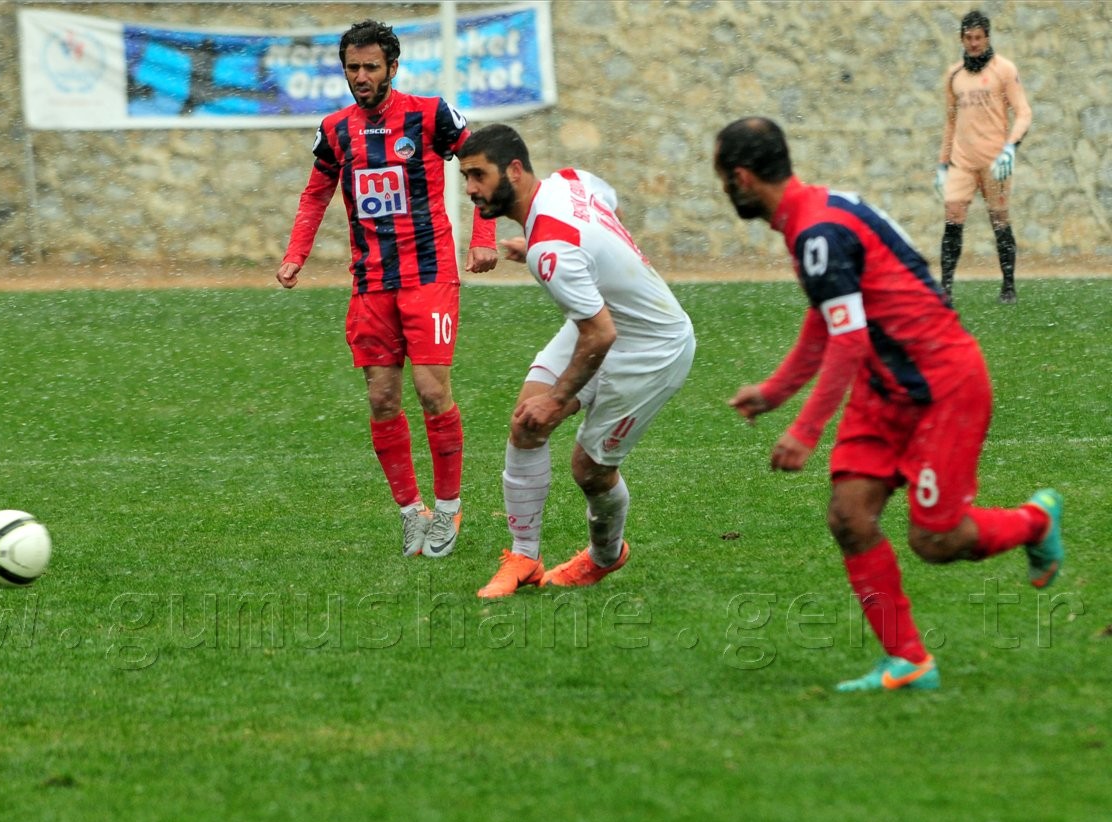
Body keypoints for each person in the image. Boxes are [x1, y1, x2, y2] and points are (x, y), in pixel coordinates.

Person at [715, 116, 1065, 692]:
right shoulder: (815, 211)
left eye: (724, 179)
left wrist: (804, 430)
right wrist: (777, 390)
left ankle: (1036, 521)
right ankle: (910, 662)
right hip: (885, 388)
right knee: (850, 517)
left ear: (743, 178)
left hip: (941, 384)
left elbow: (847, 338)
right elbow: (827, 315)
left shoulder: (816, 232)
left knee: (937, 540)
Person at [276, 20, 499, 558]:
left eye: (371, 66)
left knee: (431, 390)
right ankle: (411, 512)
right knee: (380, 399)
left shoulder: (429, 114)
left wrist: (484, 235)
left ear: (392, 68)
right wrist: (294, 255)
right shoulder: (335, 130)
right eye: (353, 68)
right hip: (372, 281)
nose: (361, 77)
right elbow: (315, 197)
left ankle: (448, 508)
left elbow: (482, 163)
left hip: (428, 273)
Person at [455, 124, 696, 599]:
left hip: (653, 347)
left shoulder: (552, 246)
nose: (470, 190)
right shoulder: (568, 180)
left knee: (590, 470)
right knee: (526, 425)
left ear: (516, 170)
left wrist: (559, 399)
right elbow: (606, 208)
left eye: (478, 175)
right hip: (604, 322)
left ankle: (606, 556)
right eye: (465, 177)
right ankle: (524, 558)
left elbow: (600, 334)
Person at [935, 9, 1032, 305]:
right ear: (961, 39)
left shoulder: (1003, 70)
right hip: (962, 162)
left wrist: (1010, 148)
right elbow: (951, 122)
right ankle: (946, 290)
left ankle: (1008, 288)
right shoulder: (954, 75)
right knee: (952, 220)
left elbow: (1024, 113)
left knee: (1000, 221)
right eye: (968, 38)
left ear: (987, 38)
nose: (974, 43)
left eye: (978, 38)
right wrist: (942, 163)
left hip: (994, 163)